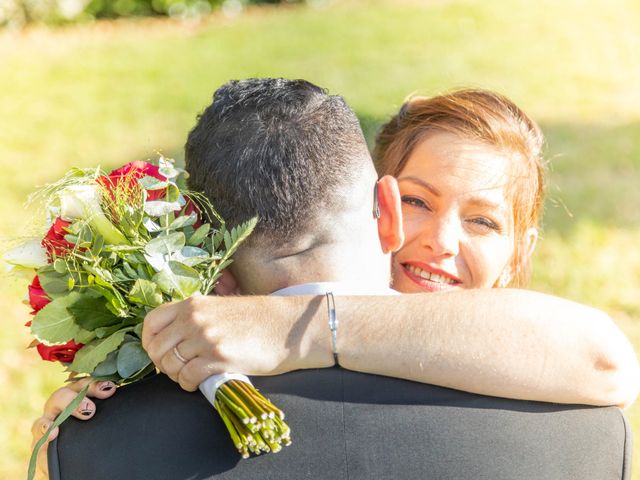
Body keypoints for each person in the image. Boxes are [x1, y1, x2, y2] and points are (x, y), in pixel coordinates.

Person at [33, 80, 638, 477]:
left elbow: (608, 360)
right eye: (420, 202)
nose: (440, 242)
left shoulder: (549, 368)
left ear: (518, 253)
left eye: (482, 220)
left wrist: (295, 323)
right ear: (381, 208)